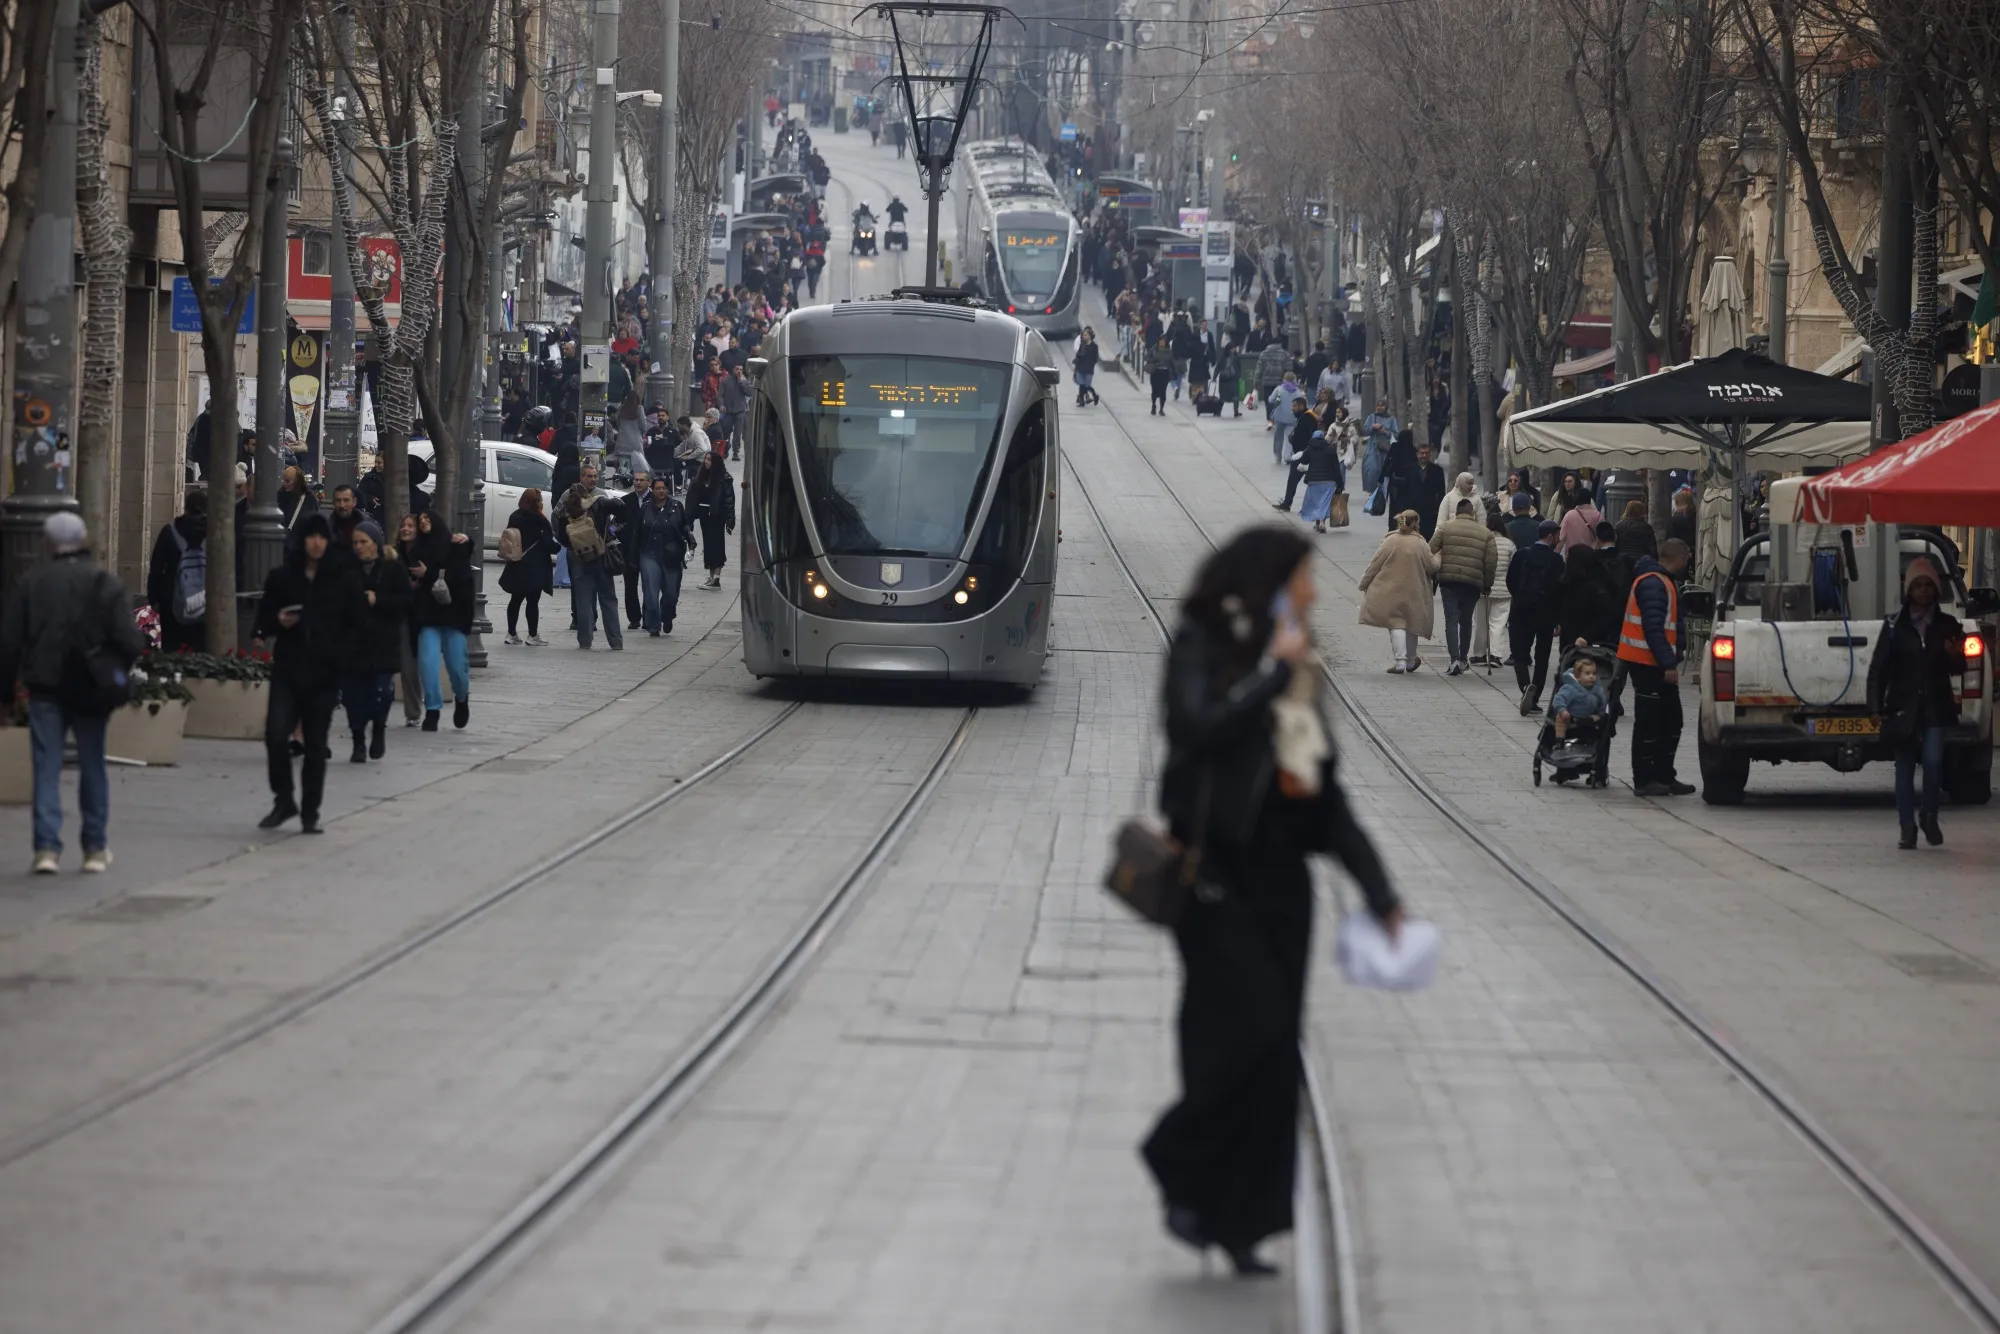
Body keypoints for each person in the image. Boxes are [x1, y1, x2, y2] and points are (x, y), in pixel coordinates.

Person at [1143, 526, 1402, 1279]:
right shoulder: (1205, 639)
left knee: (1273, 1061)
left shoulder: (1296, 673)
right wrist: (1265, 679)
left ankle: (1240, 1221)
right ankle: (1179, 1162)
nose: (1315, 593)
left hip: (1284, 888)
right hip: (1215, 881)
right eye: (1304, 580)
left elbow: (1319, 791)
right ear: (1269, 582)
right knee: (1235, 1040)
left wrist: (1379, 889)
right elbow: (1191, 727)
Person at [1, 513, 148, 873]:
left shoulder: (31, 584)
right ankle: (95, 848)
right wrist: (111, 668)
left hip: (45, 687)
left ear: (48, 544)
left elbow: (9, 645)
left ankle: (46, 848)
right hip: (90, 689)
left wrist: (6, 696)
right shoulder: (105, 583)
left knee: (46, 766)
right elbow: (130, 640)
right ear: (83, 541)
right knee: (93, 763)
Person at [253, 512, 363, 833]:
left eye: (322, 537)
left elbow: (357, 626)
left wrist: (339, 657)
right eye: (311, 536)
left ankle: (310, 812)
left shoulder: (343, 578)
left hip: (324, 674)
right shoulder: (283, 577)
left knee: (315, 745)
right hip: (288, 668)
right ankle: (284, 799)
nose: (316, 543)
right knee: (276, 735)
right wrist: (278, 623)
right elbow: (263, 621)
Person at [1867, 556, 1963, 848]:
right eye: (1918, 586)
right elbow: (1878, 669)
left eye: (1928, 586)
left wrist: (1952, 655)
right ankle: (1906, 827)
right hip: (1902, 706)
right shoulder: (1895, 626)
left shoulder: (1948, 625)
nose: (1924, 592)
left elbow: (1959, 668)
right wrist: (1874, 707)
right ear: (1909, 590)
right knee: (1905, 769)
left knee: (1934, 763)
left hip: (1935, 705)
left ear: (1936, 589)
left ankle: (1929, 815)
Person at [1616, 537, 1694, 796]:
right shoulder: (1653, 583)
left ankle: (1664, 774)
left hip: (1653, 661)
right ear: (1681, 558)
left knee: (1672, 720)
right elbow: (1653, 628)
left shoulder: (1661, 581)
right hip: (1646, 663)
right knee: (1649, 722)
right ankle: (1645, 778)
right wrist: (1668, 663)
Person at [343, 519, 411, 762]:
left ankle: (379, 729)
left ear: (376, 543)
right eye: (355, 543)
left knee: (381, 693)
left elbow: (405, 601)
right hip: (353, 646)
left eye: (364, 542)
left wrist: (378, 599)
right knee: (353, 697)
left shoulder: (392, 568)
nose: (359, 547)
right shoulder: (347, 569)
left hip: (383, 643)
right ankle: (358, 740)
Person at [406, 510, 475, 729]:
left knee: (457, 668)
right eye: (421, 520)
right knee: (428, 664)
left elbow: (460, 578)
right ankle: (432, 711)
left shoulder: (456, 547)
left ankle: (462, 698)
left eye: (428, 519)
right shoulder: (416, 551)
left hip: (453, 617)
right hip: (428, 617)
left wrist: (429, 574)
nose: (424, 523)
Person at [1357, 511, 1439, 673]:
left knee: (1396, 624)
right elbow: (1432, 566)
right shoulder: (1421, 544)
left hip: (1390, 590)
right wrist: (1440, 555)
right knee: (1411, 624)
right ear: (1416, 523)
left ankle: (1400, 662)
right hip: (1414, 592)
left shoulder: (1391, 541)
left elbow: (1375, 564)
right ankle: (1409, 661)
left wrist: (1363, 584)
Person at [557, 463, 622, 650]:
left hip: (578, 556)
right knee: (607, 599)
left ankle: (585, 641)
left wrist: (569, 543)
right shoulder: (600, 498)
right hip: (600, 554)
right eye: (589, 476)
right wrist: (612, 530)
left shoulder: (567, 497)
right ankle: (615, 641)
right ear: (581, 477)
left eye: (594, 476)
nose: (592, 479)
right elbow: (621, 510)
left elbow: (557, 521)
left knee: (583, 599)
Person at [1430, 497, 1498, 674]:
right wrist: (1487, 584)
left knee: (1451, 620)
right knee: (1466, 621)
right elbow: (1491, 562)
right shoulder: (1486, 533)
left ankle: (1453, 660)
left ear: (1457, 512)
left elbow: (1430, 549)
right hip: (1472, 582)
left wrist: (1433, 574)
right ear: (1472, 513)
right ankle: (1463, 659)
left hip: (1448, 580)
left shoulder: (1445, 528)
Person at [1507, 519, 1565, 714]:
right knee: (1542, 657)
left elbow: (1511, 581)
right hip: (1545, 614)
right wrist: (1558, 619)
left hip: (1521, 610)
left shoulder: (1522, 555)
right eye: (1557, 536)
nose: (1559, 539)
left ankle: (1525, 687)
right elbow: (1559, 591)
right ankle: (1535, 697)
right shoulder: (1557, 561)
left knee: (1520, 653)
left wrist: (1520, 598)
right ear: (1550, 537)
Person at [146, 487, 210, 652]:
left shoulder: (170, 532)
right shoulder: (214, 532)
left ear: (186, 507)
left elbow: (156, 568)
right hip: (205, 600)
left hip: (172, 600)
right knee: (200, 648)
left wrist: (154, 599)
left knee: (172, 648)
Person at [634, 475, 694, 635]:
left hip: (671, 555)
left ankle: (667, 616)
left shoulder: (676, 506)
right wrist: (632, 558)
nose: (661, 491)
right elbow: (637, 533)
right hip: (649, 554)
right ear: (652, 490)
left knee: (671, 594)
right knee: (651, 593)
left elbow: (685, 526)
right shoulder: (645, 508)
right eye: (658, 488)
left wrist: (690, 539)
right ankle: (653, 625)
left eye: (664, 488)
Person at [499, 487, 556, 645]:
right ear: (535, 503)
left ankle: (511, 634)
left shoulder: (515, 516)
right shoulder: (539, 520)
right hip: (534, 566)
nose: (542, 503)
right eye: (540, 501)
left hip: (517, 563)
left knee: (515, 600)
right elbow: (547, 543)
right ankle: (532, 635)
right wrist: (559, 548)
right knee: (532, 601)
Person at [1472, 512, 1516, 670]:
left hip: (1484, 588)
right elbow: (1513, 568)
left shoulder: (1482, 542)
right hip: (1504, 590)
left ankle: (1479, 654)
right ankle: (1495, 655)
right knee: (1498, 623)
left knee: (1481, 623)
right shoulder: (1509, 544)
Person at [686, 450, 736, 589]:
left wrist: (730, 520)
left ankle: (717, 577)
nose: (706, 462)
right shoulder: (701, 478)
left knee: (717, 545)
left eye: (709, 459)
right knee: (708, 545)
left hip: (716, 515)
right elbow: (692, 498)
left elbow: (729, 500)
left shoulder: (724, 479)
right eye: (706, 459)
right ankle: (711, 576)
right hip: (704, 515)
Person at [615, 469, 650, 630]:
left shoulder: (655, 499)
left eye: (642, 480)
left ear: (648, 482)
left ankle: (649, 616)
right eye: (636, 480)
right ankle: (634, 618)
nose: (638, 482)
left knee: (650, 585)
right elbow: (615, 524)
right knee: (630, 585)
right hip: (629, 550)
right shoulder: (625, 501)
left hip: (649, 550)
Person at [1550, 654, 1609, 740]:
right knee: (1560, 718)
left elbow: (1602, 704)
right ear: (1578, 676)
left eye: (1594, 673)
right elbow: (1559, 699)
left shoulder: (1597, 690)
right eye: (1587, 673)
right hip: (1570, 717)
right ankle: (1560, 739)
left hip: (1589, 718)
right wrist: (1563, 710)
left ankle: (1598, 739)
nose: (1591, 676)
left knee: (1602, 717)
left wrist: (1601, 714)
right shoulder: (1570, 688)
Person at [1297, 430, 1345, 533]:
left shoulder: (1309, 449)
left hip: (1313, 480)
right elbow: (1336, 468)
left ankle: (1317, 523)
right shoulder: (1330, 449)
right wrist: (1340, 484)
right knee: (1324, 502)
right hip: (1329, 481)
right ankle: (1322, 523)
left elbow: (1303, 461)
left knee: (1315, 502)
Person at [1407, 443, 1449, 540]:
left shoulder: (1437, 470)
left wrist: (1438, 509)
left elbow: (1441, 491)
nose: (1424, 456)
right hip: (1412, 511)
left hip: (1430, 513)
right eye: (1422, 453)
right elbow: (1404, 491)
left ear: (1430, 455)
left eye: (1426, 453)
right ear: (1417, 454)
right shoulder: (1409, 470)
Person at [278, 465, 319, 549]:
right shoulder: (279, 495)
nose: (284, 483)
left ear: (297, 482)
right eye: (283, 480)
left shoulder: (309, 499)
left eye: (287, 481)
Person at [1434, 470, 1481, 536]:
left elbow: (1481, 521)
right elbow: (1441, 520)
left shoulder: (1477, 499)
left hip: (1471, 537)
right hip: (1451, 536)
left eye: (1472, 483)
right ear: (1461, 483)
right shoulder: (1449, 497)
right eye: (1469, 483)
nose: (1471, 486)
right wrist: (1438, 536)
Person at [1267, 376, 1302, 463]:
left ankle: (1278, 456)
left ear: (1284, 379)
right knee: (1290, 437)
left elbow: (1270, 400)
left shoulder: (1279, 389)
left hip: (1279, 417)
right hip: (1292, 418)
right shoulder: (1297, 391)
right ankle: (1288, 457)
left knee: (1278, 438)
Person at [1614, 499, 1658, 566]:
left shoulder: (1619, 525)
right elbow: (1652, 548)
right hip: (1640, 561)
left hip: (1623, 561)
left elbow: (1616, 544)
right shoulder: (1646, 527)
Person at [1147, 333, 1175, 415]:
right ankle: (1153, 405)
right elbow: (1147, 356)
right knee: (1154, 390)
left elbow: (1171, 362)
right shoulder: (1154, 349)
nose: (1162, 342)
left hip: (1164, 373)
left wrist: (1173, 371)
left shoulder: (1169, 351)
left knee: (1163, 391)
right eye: (1161, 341)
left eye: (1163, 341)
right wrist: (1154, 361)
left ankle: (1161, 408)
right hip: (1155, 372)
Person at [1073, 329, 1101, 407]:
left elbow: (1095, 358)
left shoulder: (1094, 346)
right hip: (1081, 366)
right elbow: (1078, 354)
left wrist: (1091, 364)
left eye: (1085, 335)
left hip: (1089, 368)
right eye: (1083, 335)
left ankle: (1095, 395)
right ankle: (1081, 401)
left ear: (1090, 336)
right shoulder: (1082, 345)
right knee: (1081, 384)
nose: (1083, 336)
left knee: (1087, 385)